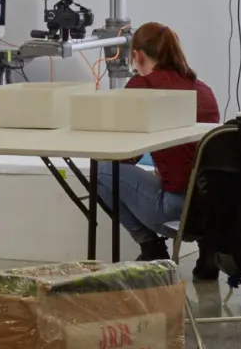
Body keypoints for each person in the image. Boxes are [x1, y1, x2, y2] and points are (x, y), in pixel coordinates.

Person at [95, 22, 221, 277]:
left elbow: (127, 156)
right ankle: (207, 250)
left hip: (179, 210)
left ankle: (151, 248)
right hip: (216, 205)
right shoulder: (202, 88)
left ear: (137, 55)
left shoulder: (142, 88)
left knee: (103, 171)